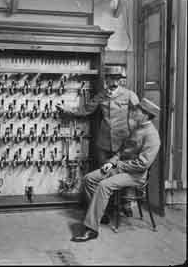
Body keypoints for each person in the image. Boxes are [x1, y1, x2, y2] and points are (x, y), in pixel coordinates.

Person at [70, 98, 161, 242]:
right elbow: (122, 151)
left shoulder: (152, 136)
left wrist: (118, 166)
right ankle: (101, 213)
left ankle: (91, 229)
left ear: (145, 115)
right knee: (89, 179)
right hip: (121, 168)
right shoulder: (136, 128)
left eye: (137, 110)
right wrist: (111, 163)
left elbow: (142, 165)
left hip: (135, 175)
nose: (133, 112)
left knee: (104, 185)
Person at [56, 66, 139, 216]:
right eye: (111, 78)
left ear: (120, 80)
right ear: (106, 79)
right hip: (105, 142)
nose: (114, 81)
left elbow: (138, 116)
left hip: (123, 143)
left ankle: (126, 203)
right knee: (103, 175)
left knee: (124, 172)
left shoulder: (129, 95)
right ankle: (105, 208)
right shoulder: (101, 95)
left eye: (117, 78)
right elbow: (86, 109)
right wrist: (67, 109)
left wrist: (134, 138)